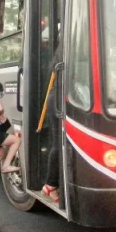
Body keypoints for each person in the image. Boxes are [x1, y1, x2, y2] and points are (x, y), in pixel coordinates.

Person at [42, 43, 63, 203]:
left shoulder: (59, 56)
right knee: (58, 144)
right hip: (58, 99)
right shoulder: (63, 59)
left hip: (57, 98)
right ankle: (50, 185)